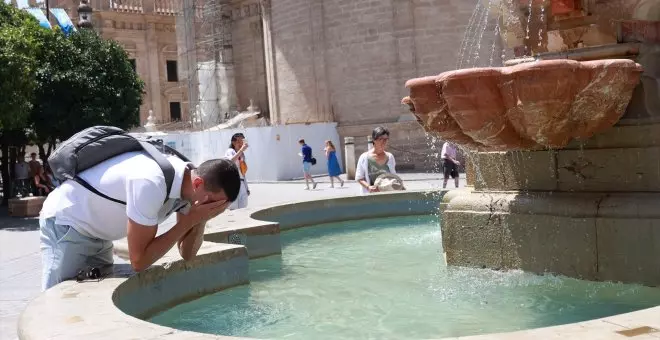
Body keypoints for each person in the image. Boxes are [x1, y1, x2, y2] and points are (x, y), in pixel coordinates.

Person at [39, 151, 240, 291]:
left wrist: (201, 220)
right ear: (198, 183)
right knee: (59, 305)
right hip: (68, 223)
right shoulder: (151, 182)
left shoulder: (188, 188)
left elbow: (187, 254)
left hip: (98, 234)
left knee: (90, 298)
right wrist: (190, 221)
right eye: (214, 204)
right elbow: (139, 260)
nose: (214, 210)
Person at [356, 127, 397, 194]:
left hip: (387, 196)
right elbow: (359, 178)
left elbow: (393, 176)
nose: (384, 142)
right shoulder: (364, 157)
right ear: (374, 140)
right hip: (370, 197)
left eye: (386, 139)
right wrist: (368, 187)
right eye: (381, 139)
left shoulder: (390, 157)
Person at [224, 133, 249, 210]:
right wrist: (241, 150)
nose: (241, 143)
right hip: (233, 183)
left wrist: (246, 187)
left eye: (242, 141)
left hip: (241, 183)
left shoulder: (242, 155)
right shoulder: (230, 151)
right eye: (239, 141)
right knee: (234, 208)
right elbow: (230, 162)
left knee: (243, 208)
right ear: (233, 142)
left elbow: (243, 173)